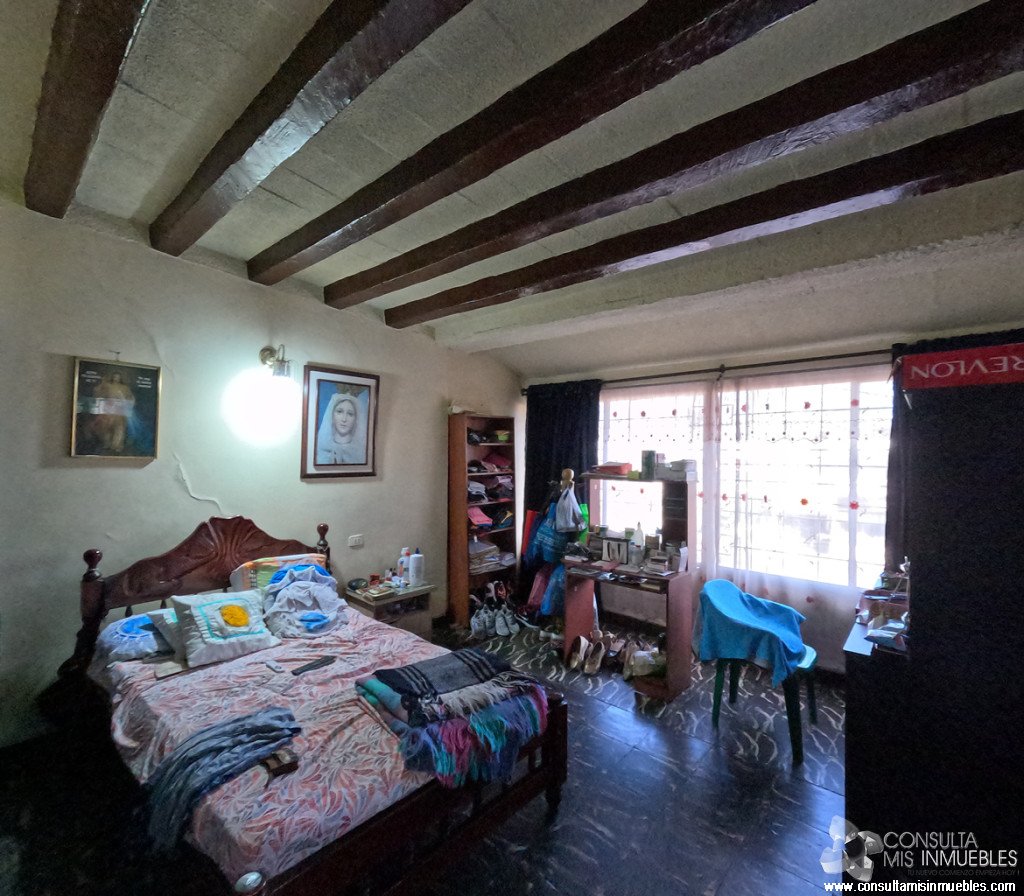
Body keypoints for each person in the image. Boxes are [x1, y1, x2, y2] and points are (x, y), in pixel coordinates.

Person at [316, 391, 366, 464]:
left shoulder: (360, 453)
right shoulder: (322, 450)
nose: (344, 419)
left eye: (350, 414)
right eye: (339, 412)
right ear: (332, 415)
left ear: (356, 419)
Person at [93, 371, 135, 453]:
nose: (116, 378)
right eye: (115, 376)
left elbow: (130, 398)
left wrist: (125, 401)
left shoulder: (125, 388)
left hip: (120, 411)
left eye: (118, 377)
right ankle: (107, 443)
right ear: (112, 377)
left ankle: (117, 446)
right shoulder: (108, 386)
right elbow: (98, 393)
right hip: (109, 410)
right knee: (106, 428)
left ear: (120, 378)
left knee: (119, 428)